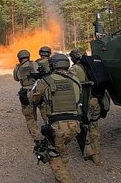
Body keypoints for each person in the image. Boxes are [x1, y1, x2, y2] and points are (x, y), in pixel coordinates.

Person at [29, 53, 81, 183]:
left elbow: (33, 99)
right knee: (62, 148)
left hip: (57, 127)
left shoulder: (46, 81)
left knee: (52, 154)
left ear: (52, 65)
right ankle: (64, 166)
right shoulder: (75, 80)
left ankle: (65, 178)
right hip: (75, 125)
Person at [69, 47, 102, 164]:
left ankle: (88, 152)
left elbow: (71, 86)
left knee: (83, 126)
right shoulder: (93, 65)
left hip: (84, 102)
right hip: (95, 101)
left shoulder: (75, 69)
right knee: (94, 126)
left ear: (74, 58)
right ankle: (96, 154)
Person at [13, 49, 44, 143]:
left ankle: (37, 137)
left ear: (19, 58)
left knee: (30, 116)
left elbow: (16, 78)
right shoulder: (34, 64)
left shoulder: (17, 68)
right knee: (45, 113)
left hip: (26, 93)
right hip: (38, 91)